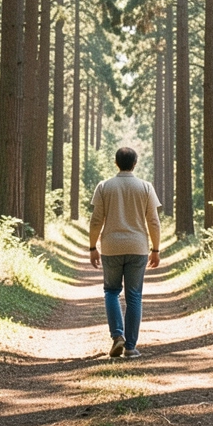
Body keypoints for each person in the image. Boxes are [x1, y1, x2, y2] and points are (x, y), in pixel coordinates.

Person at [88, 146, 161, 358]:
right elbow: (154, 222)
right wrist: (155, 249)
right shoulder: (146, 187)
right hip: (138, 248)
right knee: (134, 296)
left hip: (110, 247)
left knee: (111, 291)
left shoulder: (104, 187)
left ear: (115, 162)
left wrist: (93, 247)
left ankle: (117, 336)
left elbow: (96, 220)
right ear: (135, 163)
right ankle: (130, 347)